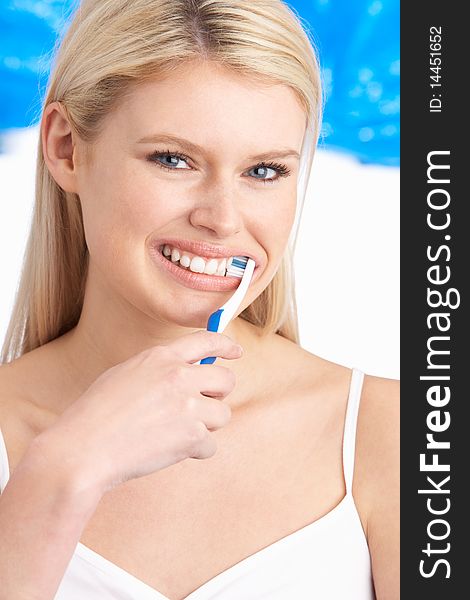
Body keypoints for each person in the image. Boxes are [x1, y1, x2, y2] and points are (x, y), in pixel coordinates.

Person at [0, 0, 399, 598]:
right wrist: (60, 476)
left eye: (264, 171)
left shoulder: (394, 434)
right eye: (173, 159)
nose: (222, 218)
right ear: (65, 149)